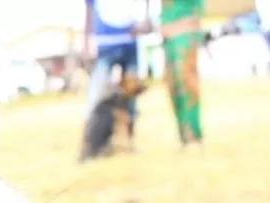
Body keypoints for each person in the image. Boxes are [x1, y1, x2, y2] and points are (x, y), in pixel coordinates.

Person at [82, 0, 153, 115]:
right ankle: (92, 127)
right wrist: (86, 42)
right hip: (104, 44)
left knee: (130, 95)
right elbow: (89, 10)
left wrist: (147, 19)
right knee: (98, 93)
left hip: (129, 42)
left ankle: (127, 126)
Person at [160, 0, 206, 149]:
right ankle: (183, 137)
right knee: (173, 86)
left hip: (186, 32)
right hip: (168, 35)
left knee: (186, 81)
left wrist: (186, 25)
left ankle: (193, 135)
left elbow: (198, 10)